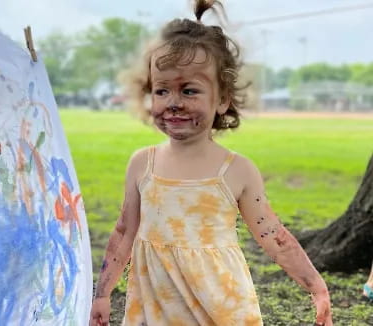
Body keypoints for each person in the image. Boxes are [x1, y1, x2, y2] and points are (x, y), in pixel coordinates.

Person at [88, 1, 333, 325]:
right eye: (162, 91)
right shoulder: (142, 164)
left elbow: (274, 236)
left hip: (221, 308)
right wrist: (102, 294)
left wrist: (317, 288)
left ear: (222, 100)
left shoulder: (236, 171)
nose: (173, 103)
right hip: (155, 310)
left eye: (189, 91)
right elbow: (123, 233)